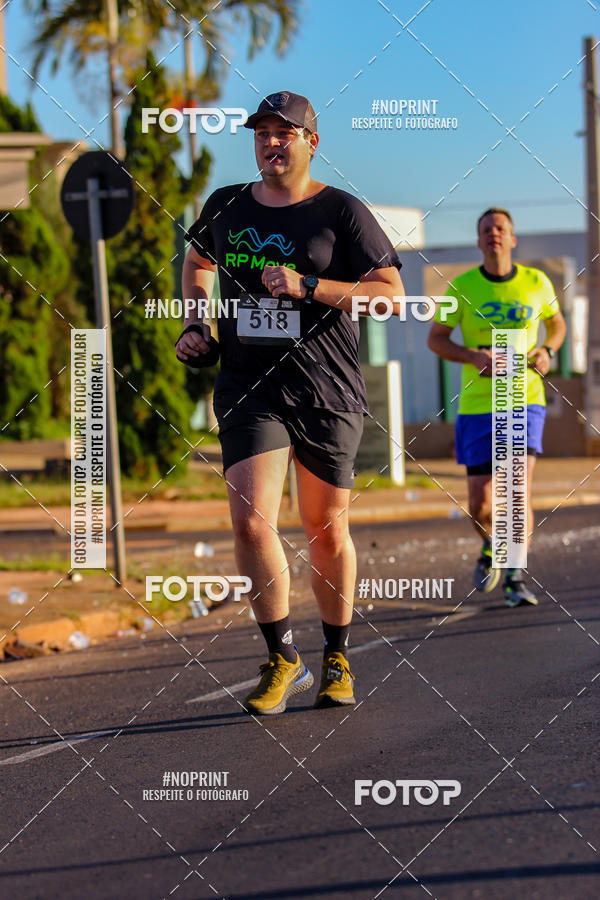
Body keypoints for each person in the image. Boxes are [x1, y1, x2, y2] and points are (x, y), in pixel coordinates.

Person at [176, 91, 404, 714]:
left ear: (311, 142)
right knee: (251, 521)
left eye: (285, 133)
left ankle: (336, 655)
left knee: (325, 531)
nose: (271, 143)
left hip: (327, 390)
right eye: (261, 133)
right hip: (250, 386)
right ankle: (281, 657)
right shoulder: (225, 205)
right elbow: (197, 261)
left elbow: (390, 295)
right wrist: (198, 323)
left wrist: (310, 285)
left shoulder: (342, 211)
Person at [427, 207, 566, 607]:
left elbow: (557, 326)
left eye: (500, 229)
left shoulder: (537, 282)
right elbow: (436, 339)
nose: (494, 235)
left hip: (524, 400)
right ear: (478, 241)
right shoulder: (461, 287)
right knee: (481, 504)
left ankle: (516, 577)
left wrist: (547, 350)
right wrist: (472, 356)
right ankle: (492, 546)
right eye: (486, 230)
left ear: (513, 237)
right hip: (477, 404)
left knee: (516, 490)